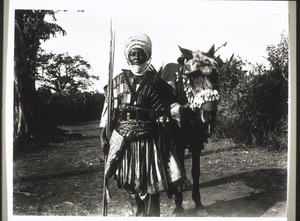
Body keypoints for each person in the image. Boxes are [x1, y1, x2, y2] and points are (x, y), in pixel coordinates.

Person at [100, 33, 183, 217]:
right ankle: (137, 214)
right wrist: (103, 135)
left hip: (149, 141)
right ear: (127, 56)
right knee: (130, 183)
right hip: (124, 142)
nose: (137, 57)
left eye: (140, 53)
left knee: (151, 183)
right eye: (133, 54)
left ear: (148, 54)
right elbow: (109, 113)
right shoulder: (117, 82)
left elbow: (172, 108)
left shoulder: (157, 82)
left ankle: (153, 216)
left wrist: (176, 113)